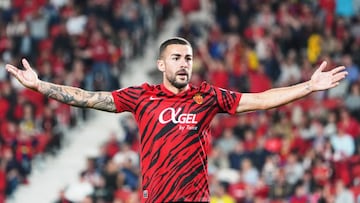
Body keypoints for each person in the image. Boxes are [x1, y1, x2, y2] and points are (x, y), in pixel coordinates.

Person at [4, 37, 347, 203]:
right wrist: (40, 86)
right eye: (177, 58)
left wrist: (309, 87)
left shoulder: (207, 96)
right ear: (161, 65)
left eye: (189, 58)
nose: (184, 63)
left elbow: (259, 101)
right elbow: (88, 98)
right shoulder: (142, 96)